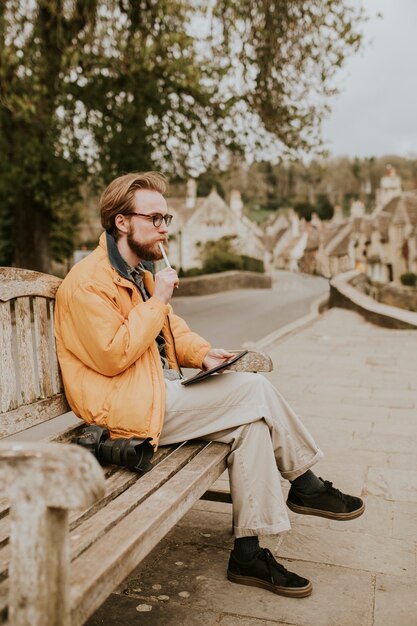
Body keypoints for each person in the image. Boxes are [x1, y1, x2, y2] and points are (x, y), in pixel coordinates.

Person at [55, 172, 365, 599]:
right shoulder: (88, 281)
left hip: (154, 393)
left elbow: (171, 330)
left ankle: (249, 553)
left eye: (167, 217)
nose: (165, 227)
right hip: (121, 411)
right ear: (121, 222)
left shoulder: (138, 273)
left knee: (252, 427)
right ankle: (306, 482)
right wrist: (160, 298)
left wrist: (202, 354)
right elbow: (112, 355)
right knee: (253, 392)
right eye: (155, 218)